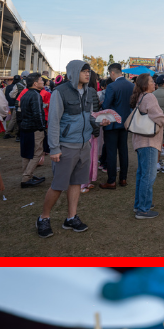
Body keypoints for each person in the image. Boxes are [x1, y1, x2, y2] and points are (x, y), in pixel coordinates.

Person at [36, 60, 110, 238]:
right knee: (58, 185)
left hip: (84, 144)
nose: (88, 74)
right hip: (66, 146)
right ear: (74, 72)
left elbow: (88, 117)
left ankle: (71, 217)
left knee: (76, 182)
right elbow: (53, 122)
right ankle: (43, 218)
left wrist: (99, 122)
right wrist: (54, 148)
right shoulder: (59, 92)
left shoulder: (88, 91)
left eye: (89, 71)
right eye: (84, 71)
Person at [129, 74, 164, 219]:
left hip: (140, 141)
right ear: (146, 84)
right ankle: (143, 209)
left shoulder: (140, 97)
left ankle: (140, 204)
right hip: (149, 141)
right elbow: (157, 116)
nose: (154, 84)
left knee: (142, 174)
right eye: (152, 82)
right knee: (148, 175)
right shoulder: (149, 97)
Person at [101, 63, 133, 189]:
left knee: (111, 152)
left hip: (112, 123)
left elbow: (106, 106)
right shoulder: (131, 85)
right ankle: (123, 178)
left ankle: (111, 180)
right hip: (125, 123)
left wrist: (101, 105)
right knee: (124, 151)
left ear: (112, 73)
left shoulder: (112, 86)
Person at [17, 74, 47, 189]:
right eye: (41, 80)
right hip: (34, 129)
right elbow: (38, 114)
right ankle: (26, 177)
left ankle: (27, 176)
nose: (43, 82)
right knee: (37, 153)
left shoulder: (25, 94)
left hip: (25, 128)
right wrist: (42, 127)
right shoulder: (35, 95)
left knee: (26, 153)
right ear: (35, 83)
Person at [80, 71, 102, 194]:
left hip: (85, 127)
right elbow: (93, 111)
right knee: (87, 157)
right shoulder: (91, 91)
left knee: (87, 156)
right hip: (90, 128)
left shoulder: (85, 91)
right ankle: (83, 183)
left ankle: (86, 182)